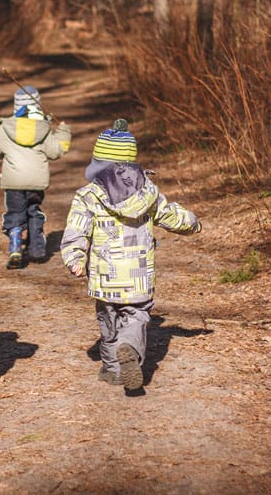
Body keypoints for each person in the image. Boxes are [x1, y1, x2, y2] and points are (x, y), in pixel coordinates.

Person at [60, 119, 201, 391]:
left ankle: (112, 368)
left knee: (108, 318)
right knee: (136, 316)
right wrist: (192, 222)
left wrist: (74, 257)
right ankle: (130, 348)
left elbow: (76, 229)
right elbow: (171, 215)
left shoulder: (87, 195)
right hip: (138, 278)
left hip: (104, 277)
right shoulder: (148, 193)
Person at [0, 84, 71, 269]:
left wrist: (2, 154)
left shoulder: (5, 128)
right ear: (37, 106)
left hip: (13, 182)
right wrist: (64, 132)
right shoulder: (44, 129)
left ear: (17, 106)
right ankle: (37, 249)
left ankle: (16, 246)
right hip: (36, 182)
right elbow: (56, 151)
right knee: (33, 211)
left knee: (15, 213)